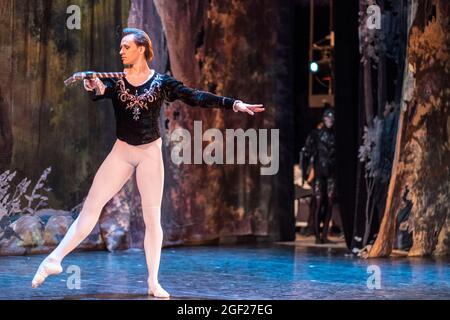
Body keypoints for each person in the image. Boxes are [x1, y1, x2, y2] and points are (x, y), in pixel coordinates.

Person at [31, 28, 264, 298]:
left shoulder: (162, 83)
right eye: (120, 47)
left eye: (126, 46)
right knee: (90, 209)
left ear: (141, 48)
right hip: (122, 152)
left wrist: (232, 104)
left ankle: (153, 282)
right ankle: (53, 260)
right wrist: (92, 85)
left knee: (152, 220)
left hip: (149, 154)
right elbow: (99, 90)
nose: (121, 51)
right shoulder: (117, 81)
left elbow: (195, 96)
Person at [303, 107, 336, 244]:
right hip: (319, 173)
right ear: (323, 119)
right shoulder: (315, 135)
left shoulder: (335, 136)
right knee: (318, 202)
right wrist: (307, 174)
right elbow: (306, 153)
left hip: (331, 173)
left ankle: (324, 234)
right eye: (328, 118)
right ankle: (317, 236)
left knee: (329, 202)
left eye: (332, 118)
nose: (330, 120)